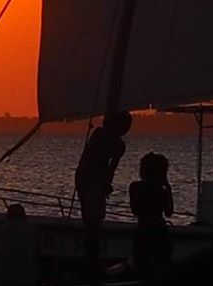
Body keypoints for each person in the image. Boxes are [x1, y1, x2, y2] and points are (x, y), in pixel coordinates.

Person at [74, 110, 132, 267]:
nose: (127, 129)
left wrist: (106, 184)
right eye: (126, 125)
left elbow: (111, 167)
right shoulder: (101, 135)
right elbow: (106, 164)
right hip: (88, 179)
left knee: (94, 221)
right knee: (92, 220)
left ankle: (91, 254)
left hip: (93, 180)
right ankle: (91, 257)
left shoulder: (116, 144)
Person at [129, 151, 174, 276]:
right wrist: (168, 189)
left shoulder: (134, 187)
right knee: (162, 267)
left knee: (140, 267)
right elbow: (169, 212)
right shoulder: (162, 190)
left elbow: (134, 210)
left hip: (142, 230)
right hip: (159, 230)